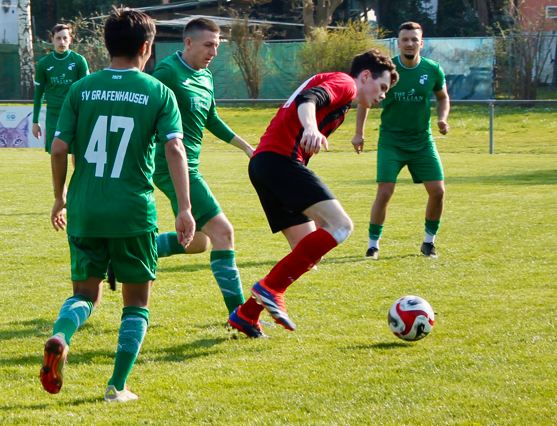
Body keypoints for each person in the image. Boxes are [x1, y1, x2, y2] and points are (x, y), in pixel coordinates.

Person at [40, 7, 195, 403]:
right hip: (132, 211)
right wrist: (183, 207)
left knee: (85, 294)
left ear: (107, 44)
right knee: (136, 303)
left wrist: (60, 196)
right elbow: (175, 148)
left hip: (85, 209)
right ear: (146, 46)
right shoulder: (158, 92)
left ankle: (61, 336)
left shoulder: (81, 89)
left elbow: (58, 148)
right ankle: (117, 386)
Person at [227, 49, 399, 338]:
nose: (382, 95)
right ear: (366, 75)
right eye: (382, 87)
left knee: (308, 251)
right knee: (341, 226)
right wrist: (310, 127)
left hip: (265, 164)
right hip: (279, 161)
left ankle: (247, 314)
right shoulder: (345, 83)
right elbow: (308, 99)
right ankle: (271, 289)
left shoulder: (344, 97)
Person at [151, 17, 254, 315]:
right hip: (171, 165)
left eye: (217, 46)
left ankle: (128, 253)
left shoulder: (205, 76)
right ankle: (239, 315)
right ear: (188, 43)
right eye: (209, 45)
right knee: (224, 232)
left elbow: (211, 119)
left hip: (190, 166)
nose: (214, 52)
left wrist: (247, 146)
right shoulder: (167, 72)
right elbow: (146, 114)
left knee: (198, 242)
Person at [353, 21, 450, 260]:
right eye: (405, 39)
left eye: (414, 39)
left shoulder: (433, 69)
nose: (409, 43)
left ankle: (429, 243)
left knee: (438, 191)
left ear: (421, 43)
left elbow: (443, 97)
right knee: (385, 192)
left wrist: (442, 118)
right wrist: (359, 133)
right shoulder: (387, 70)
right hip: (391, 142)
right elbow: (365, 100)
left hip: (422, 141)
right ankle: (373, 245)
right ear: (398, 43)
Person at [32, 23, 89, 153]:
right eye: (58, 38)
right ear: (52, 39)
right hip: (54, 115)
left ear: (70, 39)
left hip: (75, 114)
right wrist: (35, 122)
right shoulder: (43, 64)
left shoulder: (79, 61)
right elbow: (38, 94)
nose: (62, 42)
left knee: (77, 153)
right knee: (56, 152)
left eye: (65, 38)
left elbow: (86, 92)